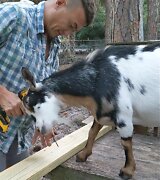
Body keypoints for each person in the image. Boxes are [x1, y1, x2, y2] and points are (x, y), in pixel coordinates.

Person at [0, 0, 96, 171]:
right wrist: (1, 94)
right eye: (71, 25)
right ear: (60, 2)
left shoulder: (54, 44)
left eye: (74, 31)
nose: (67, 33)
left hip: (19, 138)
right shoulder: (14, 16)